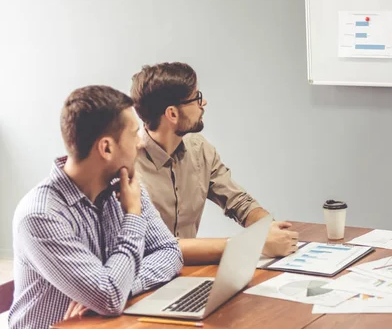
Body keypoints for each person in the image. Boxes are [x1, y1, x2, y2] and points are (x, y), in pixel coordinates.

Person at [9, 86, 183, 329]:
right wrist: (132, 216)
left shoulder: (124, 185)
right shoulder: (40, 216)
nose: (141, 143)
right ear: (107, 148)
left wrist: (123, 285)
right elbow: (110, 297)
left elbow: (170, 251)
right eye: (134, 134)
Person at [130, 62, 298, 264]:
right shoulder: (128, 170)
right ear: (172, 114)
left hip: (187, 274)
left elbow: (239, 202)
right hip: (147, 281)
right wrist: (253, 243)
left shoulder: (199, 149)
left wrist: (268, 229)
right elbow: (161, 246)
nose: (204, 103)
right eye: (196, 98)